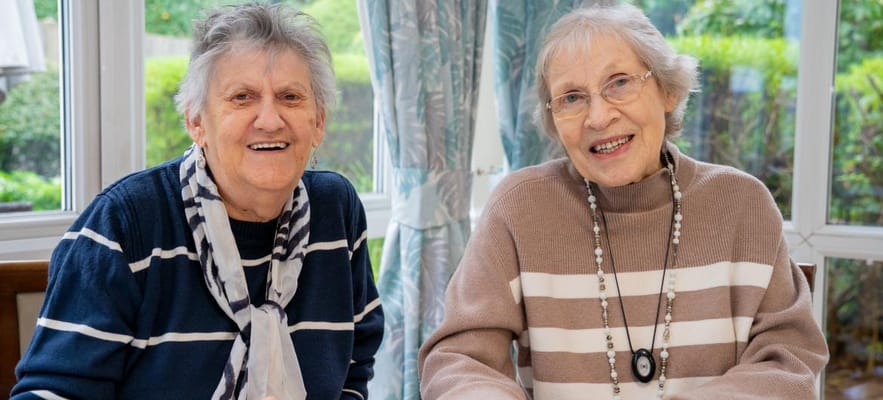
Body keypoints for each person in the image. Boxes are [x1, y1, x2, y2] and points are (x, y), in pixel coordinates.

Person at [418, 4, 828, 399]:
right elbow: (461, 359)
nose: (598, 117)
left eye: (619, 83)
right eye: (572, 97)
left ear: (667, 90)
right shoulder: (518, 208)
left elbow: (789, 358)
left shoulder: (743, 204)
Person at [11, 3, 383, 399]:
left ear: (319, 122)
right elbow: (52, 393)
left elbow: (353, 368)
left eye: (291, 97)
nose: (270, 119)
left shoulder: (336, 211)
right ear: (196, 122)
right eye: (242, 97)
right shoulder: (124, 223)